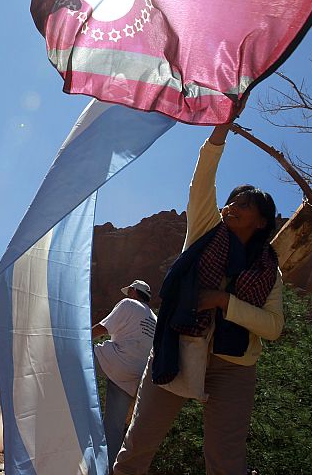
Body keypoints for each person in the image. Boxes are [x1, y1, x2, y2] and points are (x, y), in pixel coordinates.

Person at [113, 115, 284, 475]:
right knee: (138, 445)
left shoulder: (270, 271)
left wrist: (224, 302)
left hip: (234, 366)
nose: (234, 206)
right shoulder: (206, 231)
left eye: (245, 204)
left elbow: (272, 327)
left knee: (226, 461)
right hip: (177, 347)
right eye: (233, 200)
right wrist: (221, 128)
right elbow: (202, 182)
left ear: (263, 221)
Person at [92, 279, 157, 473]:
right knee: (114, 426)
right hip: (136, 375)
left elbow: (103, 329)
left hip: (116, 360)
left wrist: (79, 337)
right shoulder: (155, 318)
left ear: (133, 292)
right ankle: (107, 470)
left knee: (76, 356)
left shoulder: (129, 304)